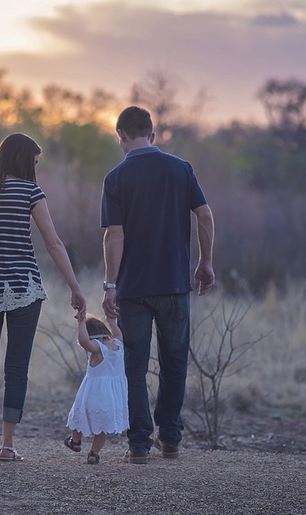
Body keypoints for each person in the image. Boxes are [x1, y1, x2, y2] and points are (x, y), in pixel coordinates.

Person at [0, 133, 86, 462]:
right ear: (24, 160)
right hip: (24, 287)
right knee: (17, 369)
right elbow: (53, 243)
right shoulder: (30, 192)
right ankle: (7, 446)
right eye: (35, 162)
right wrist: (75, 287)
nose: (36, 168)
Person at [100, 106, 216, 464]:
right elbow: (205, 215)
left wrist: (110, 284)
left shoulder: (116, 178)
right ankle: (170, 439)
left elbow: (113, 236)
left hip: (134, 289)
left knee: (134, 365)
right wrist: (205, 261)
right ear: (153, 134)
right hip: (175, 285)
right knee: (174, 362)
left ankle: (138, 444)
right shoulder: (181, 169)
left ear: (120, 135)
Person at [63, 314, 128, 464]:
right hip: (112, 397)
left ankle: (76, 442)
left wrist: (81, 324)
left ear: (92, 337)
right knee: (102, 427)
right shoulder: (118, 345)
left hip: (93, 393)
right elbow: (118, 333)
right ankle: (94, 453)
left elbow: (84, 341)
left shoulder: (98, 348)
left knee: (78, 416)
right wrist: (111, 321)